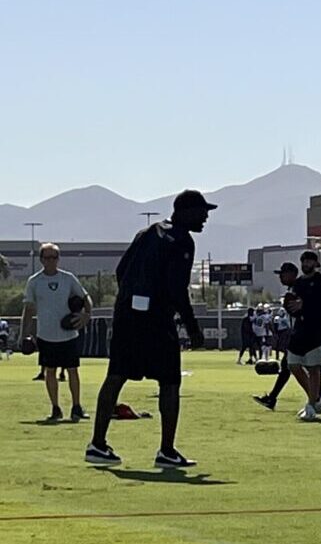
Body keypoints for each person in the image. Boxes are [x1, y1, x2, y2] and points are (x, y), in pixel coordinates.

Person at [86, 190, 214, 467]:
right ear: (185, 211)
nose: (206, 217)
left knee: (116, 375)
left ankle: (97, 445)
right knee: (170, 381)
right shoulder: (181, 240)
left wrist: (131, 300)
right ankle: (167, 451)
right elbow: (177, 290)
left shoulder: (146, 232)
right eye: (202, 211)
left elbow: (121, 271)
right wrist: (193, 328)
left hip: (126, 315)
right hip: (155, 320)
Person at [20, 243, 93, 422]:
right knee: (50, 371)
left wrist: (86, 315)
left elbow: (85, 297)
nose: (51, 261)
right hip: (46, 334)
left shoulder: (68, 278)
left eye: (54, 257)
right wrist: (24, 334)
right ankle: (55, 408)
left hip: (68, 334)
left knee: (72, 370)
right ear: (41, 260)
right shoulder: (34, 281)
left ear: (58, 259)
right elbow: (29, 309)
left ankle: (76, 407)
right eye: (47, 258)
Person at [253, 263, 321, 412]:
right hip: (299, 334)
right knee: (294, 366)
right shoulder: (295, 288)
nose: (281, 277)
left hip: (307, 334)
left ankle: (318, 399)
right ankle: (318, 399)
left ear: (292, 274)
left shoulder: (301, 287)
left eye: (283, 274)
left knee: (303, 366)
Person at [286, 250, 321, 421]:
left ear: (315, 263)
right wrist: (292, 308)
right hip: (299, 330)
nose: (306, 264)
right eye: (303, 261)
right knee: (292, 365)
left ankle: (311, 405)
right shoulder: (298, 284)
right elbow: (292, 307)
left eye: (309, 261)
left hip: (316, 331)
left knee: (314, 368)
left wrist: (303, 305)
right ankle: (316, 399)